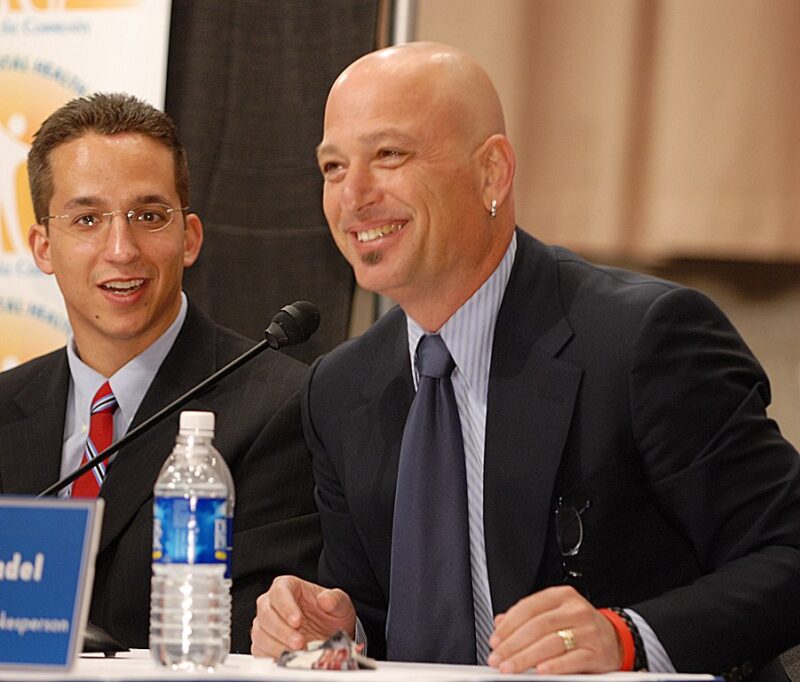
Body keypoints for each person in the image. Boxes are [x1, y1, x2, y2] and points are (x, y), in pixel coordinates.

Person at [250, 42, 800, 680]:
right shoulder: (341, 389)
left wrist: (625, 640)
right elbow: (378, 615)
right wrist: (340, 631)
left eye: (389, 155)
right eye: (333, 167)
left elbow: (787, 552)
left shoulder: (643, 339)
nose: (355, 195)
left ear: (492, 173)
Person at [0, 93, 321, 652]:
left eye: (149, 217)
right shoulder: (6, 407)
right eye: (88, 219)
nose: (122, 249)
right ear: (43, 247)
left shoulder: (278, 407)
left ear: (189, 238)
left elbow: (253, 632)